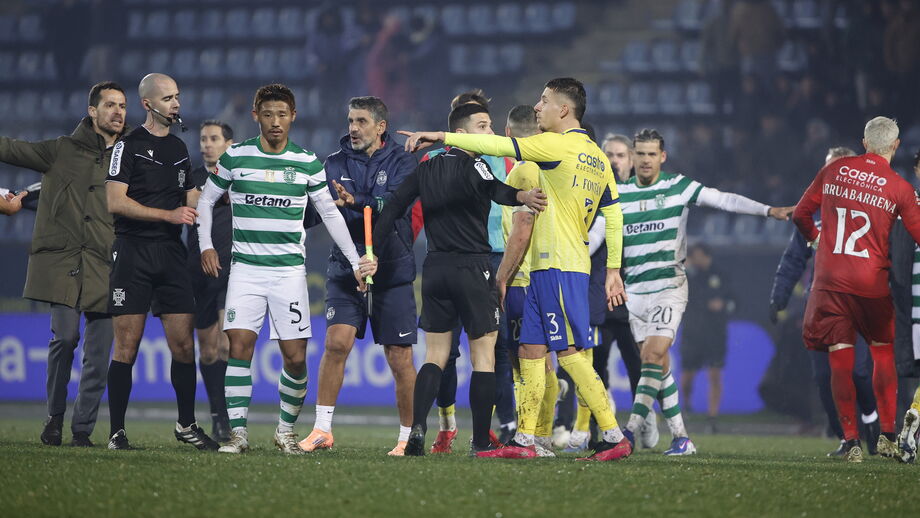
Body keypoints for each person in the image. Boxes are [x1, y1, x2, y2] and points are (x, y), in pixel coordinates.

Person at [401, 77, 633, 462]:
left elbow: (494, 144)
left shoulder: (553, 145)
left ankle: (613, 435)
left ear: (564, 109)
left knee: (570, 353)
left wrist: (442, 136)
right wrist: (611, 269)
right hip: (556, 265)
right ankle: (526, 440)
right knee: (530, 349)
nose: (537, 107)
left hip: (557, 264)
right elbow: (613, 214)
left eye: (544, 101)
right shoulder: (595, 154)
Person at [197, 84, 375, 455]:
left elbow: (329, 214)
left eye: (282, 114)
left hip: (288, 274)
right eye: (267, 114)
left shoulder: (307, 162)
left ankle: (284, 431)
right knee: (239, 347)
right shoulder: (236, 157)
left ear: (293, 116)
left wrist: (356, 259)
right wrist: (207, 245)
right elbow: (207, 200)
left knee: (295, 357)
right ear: (255, 116)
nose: (275, 122)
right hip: (245, 270)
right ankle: (238, 434)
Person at [375, 102, 546, 456]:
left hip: (435, 268)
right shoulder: (477, 164)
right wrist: (523, 196)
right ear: (463, 133)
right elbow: (496, 190)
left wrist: (372, 251)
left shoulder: (426, 166)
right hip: (473, 268)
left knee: (435, 355)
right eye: (484, 126)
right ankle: (481, 441)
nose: (491, 132)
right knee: (483, 357)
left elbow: (392, 208)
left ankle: (417, 430)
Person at [618, 128, 793, 456]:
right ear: (633, 156)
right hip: (635, 290)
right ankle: (681, 438)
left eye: (651, 154)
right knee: (659, 365)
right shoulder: (619, 193)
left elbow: (724, 199)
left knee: (652, 356)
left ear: (662, 156)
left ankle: (628, 432)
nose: (645, 160)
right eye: (640, 153)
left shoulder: (678, 187)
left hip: (669, 285)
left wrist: (768, 210)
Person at [0, 81, 126, 447]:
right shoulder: (61, 150)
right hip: (65, 260)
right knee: (66, 337)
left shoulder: (133, 153)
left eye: (122, 106)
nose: (118, 112)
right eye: (110, 105)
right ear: (92, 111)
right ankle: (54, 418)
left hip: (107, 263)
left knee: (100, 353)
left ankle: (82, 430)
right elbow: (10, 149)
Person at [792, 116, 920, 463]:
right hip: (870, 283)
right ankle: (888, 436)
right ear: (895, 146)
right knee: (881, 353)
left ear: (864, 141)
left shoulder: (835, 170)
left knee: (840, 357)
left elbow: (801, 214)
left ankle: (850, 441)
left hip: (830, 282)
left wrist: (817, 240)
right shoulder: (899, 187)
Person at [299, 96, 418, 456]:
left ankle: (407, 437)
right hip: (345, 266)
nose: (353, 128)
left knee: (399, 357)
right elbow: (315, 212)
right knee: (336, 344)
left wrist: (356, 201)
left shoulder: (403, 161)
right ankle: (321, 429)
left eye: (361, 121)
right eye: (351, 120)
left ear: (380, 127)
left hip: (392, 266)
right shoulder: (332, 163)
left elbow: (394, 205)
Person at [105, 73, 217, 451]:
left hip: (171, 255)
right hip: (133, 251)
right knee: (127, 346)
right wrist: (167, 216)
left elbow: (190, 203)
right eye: (168, 98)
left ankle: (186, 424)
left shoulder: (180, 148)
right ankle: (116, 432)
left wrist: (223, 188)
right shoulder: (128, 146)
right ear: (148, 104)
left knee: (184, 346)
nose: (176, 104)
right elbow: (115, 202)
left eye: (178, 97)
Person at [413, 90, 515, 453]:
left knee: (491, 349)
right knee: (465, 353)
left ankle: (497, 424)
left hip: (486, 257)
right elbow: (506, 196)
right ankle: (452, 426)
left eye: (488, 124)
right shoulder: (448, 159)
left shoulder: (501, 155)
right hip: (470, 258)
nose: (486, 131)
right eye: (480, 125)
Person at [770, 146, 881, 457]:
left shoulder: (871, 210)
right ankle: (848, 439)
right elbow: (794, 259)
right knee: (823, 377)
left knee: (858, 372)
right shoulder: (813, 213)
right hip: (819, 306)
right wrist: (779, 295)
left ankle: (871, 417)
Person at [495, 104, 557, 457]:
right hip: (546, 274)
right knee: (541, 360)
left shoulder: (523, 170)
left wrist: (502, 277)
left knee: (527, 362)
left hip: (522, 279)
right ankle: (539, 435)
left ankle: (532, 436)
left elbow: (521, 229)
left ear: (508, 135)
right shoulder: (547, 169)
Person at [187, 120, 235, 442]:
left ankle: (231, 418)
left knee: (229, 344)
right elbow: (190, 199)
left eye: (213, 139)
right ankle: (218, 414)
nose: (206, 144)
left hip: (234, 268)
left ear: (228, 144)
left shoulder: (239, 175)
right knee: (207, 351)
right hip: (199, 268)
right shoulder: (192, 177)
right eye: (203, 139)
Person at [681, 244, 736, 433]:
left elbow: (735, 300)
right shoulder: (688, 276)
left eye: (697, 256)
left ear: (707, 256)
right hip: (692, 333)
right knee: (687, 376)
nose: (695, 260)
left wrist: (725, 304)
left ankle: (712, 417)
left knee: (715, 374)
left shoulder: (722, 275)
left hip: (715, 333)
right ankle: (686, 407)